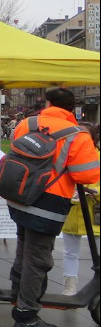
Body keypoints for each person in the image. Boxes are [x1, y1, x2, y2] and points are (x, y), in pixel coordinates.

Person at [8, 89, 99, 327]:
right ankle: (26, 316)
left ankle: (18, 289)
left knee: (23, 243)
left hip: (19, 194)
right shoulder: (78, 135)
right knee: (38, 258)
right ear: (72, 108)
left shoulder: (28, 123)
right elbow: (87, 175)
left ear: (48, 103)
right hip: (49, 201)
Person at [60, 121, 100, 296]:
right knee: (70, 252)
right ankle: (70, 286)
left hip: (96, 211)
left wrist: (95, 192)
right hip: (72, 211)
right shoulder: (65, 158)